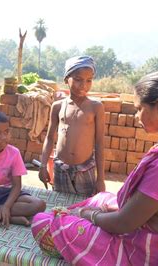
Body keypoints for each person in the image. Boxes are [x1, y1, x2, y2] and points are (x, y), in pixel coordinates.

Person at [31, 70, 158, 265]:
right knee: (101, 198)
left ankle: (71, 220)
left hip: (153, 252)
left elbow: (123, 223)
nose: (137, 115)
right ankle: (74, 216)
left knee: (42, 223)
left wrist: (90, 216)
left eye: (139, 108)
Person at [39, 55, 106, 196]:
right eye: (78, 79)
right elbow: (50, 138)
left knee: (84, 209)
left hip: (85, 169)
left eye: (89, 80)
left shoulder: (96, 107)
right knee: (61, 207)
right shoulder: (57, 106)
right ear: (66, 79)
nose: (84, 85)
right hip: (60, 168)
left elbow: (99, 144)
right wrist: (43, 165)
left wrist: (100, 178)